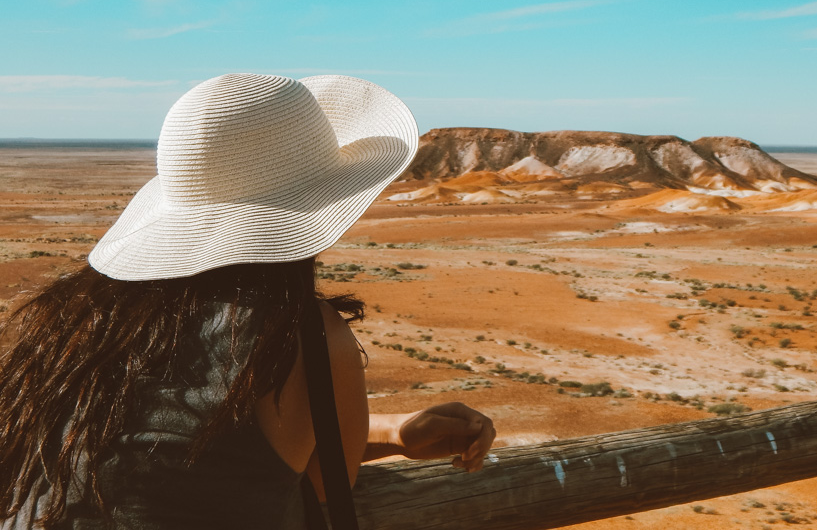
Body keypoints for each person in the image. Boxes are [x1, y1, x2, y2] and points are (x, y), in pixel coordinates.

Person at [0, 73, 496, 529]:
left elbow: (162, 454)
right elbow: (320, 482)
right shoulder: (302, 335)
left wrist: (393, 432)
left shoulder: (66, 321)